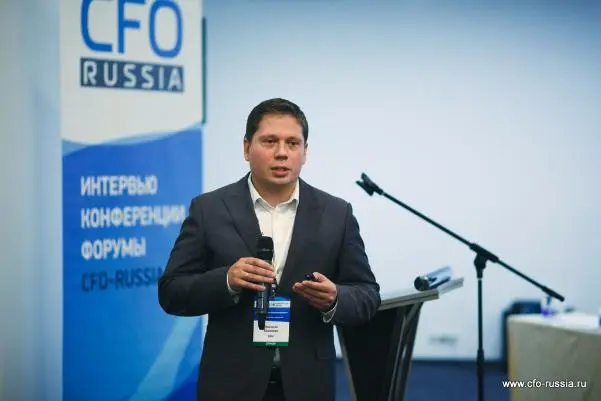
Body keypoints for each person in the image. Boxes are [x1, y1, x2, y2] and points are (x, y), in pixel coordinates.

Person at [158, 98, 380, 401]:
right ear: (247, 148)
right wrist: (226, 280)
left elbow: (367, 295)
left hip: (306, 384)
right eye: (270, 141)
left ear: (305, 152)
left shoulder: (337, 214)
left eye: (293, 143)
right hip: (230, 383)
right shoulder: (209, 209)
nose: (282, 153)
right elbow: (171, 292)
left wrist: (335, 299)